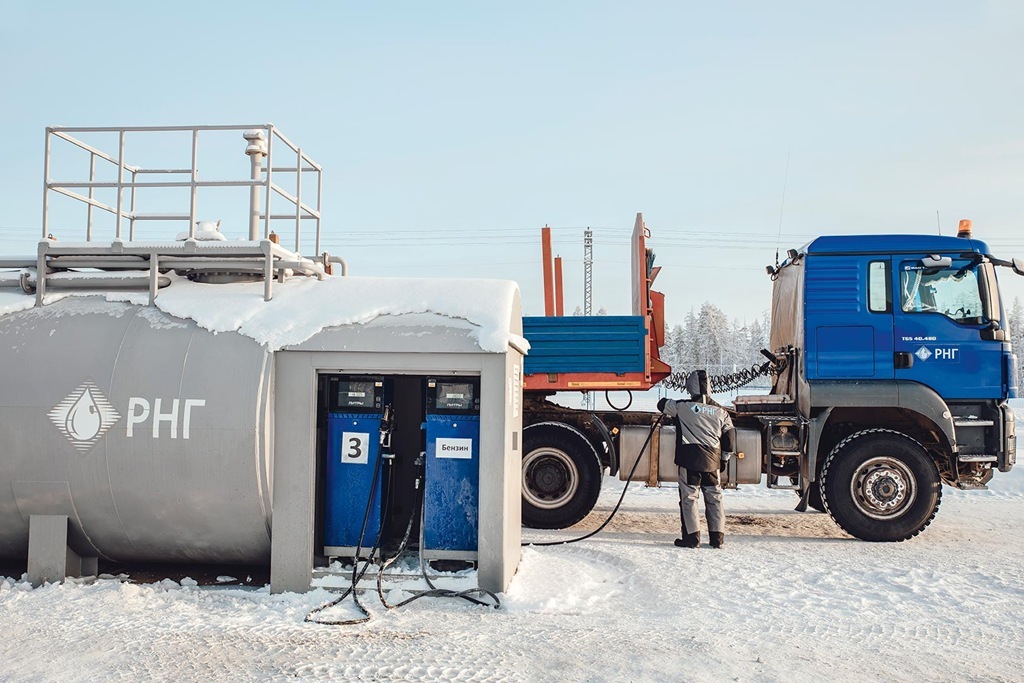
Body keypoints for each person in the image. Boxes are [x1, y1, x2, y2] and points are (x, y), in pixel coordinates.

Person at [657, 370, 735, 549]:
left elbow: (661, 404)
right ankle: (717, 539)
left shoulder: (682, 407)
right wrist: (724, 459)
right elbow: (729, 439)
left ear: (690, 387)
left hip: (689, 460)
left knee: (690, 498)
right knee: (714, 497)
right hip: (712, 462)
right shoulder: (721, 412)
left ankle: (691, 539)